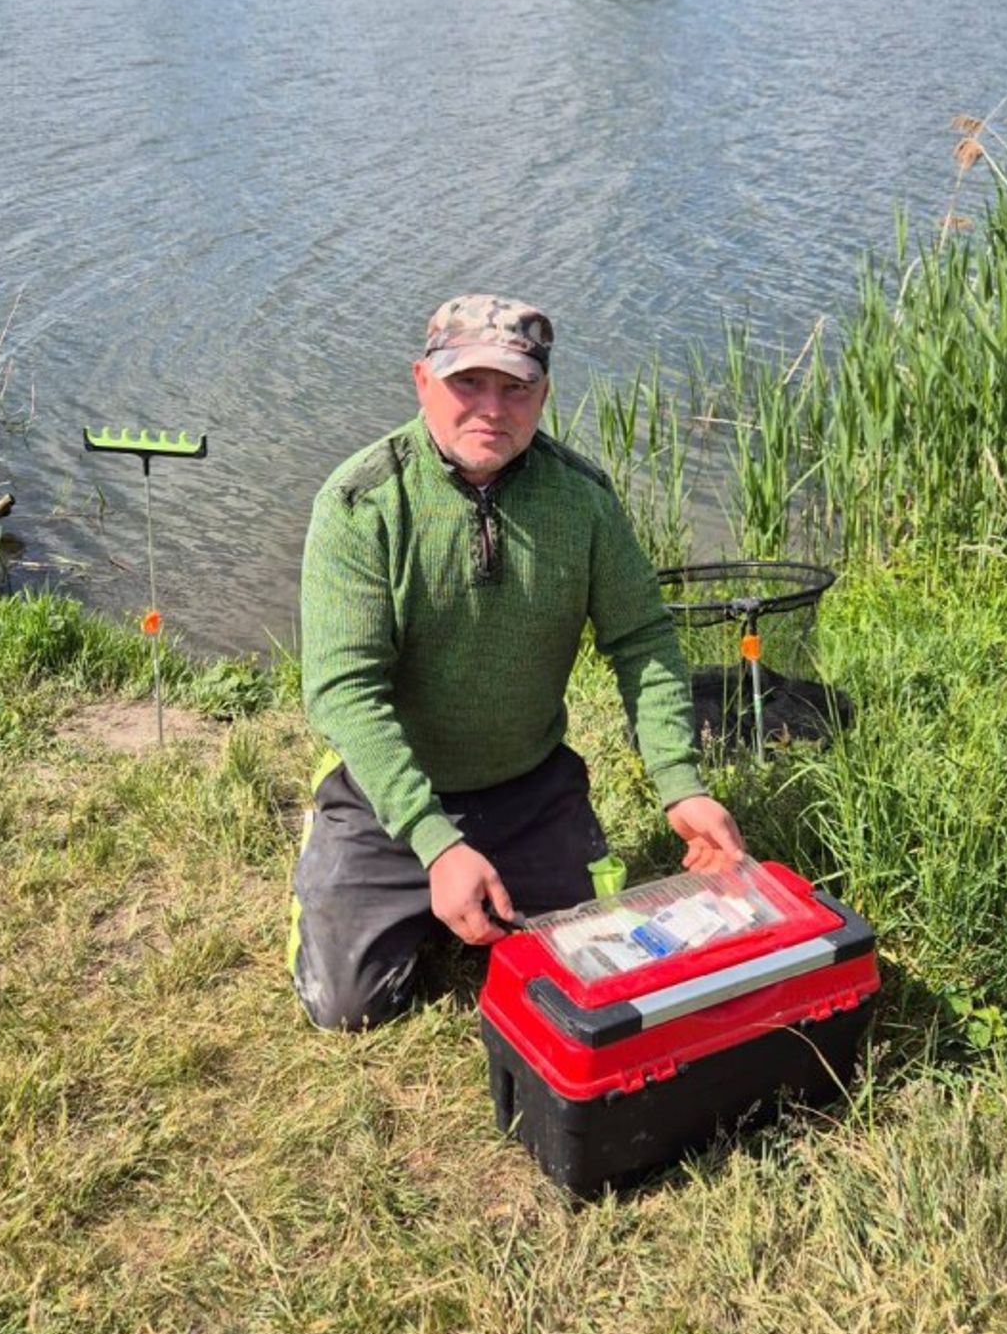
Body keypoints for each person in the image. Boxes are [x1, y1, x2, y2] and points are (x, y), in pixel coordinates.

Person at [289, 295, 744, 1031]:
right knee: (346, 1008)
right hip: (389, 796)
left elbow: (642, 640)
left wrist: (679, 782)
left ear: (544, 392)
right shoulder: (360, 503)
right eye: (467, 382)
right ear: (422, 381)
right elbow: (345, 691)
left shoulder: (582, 500)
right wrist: (435, 841)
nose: (491, 409)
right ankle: (354, 859)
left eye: (516, 387)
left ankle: (477, 881)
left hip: (530, 788)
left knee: (591, 960)